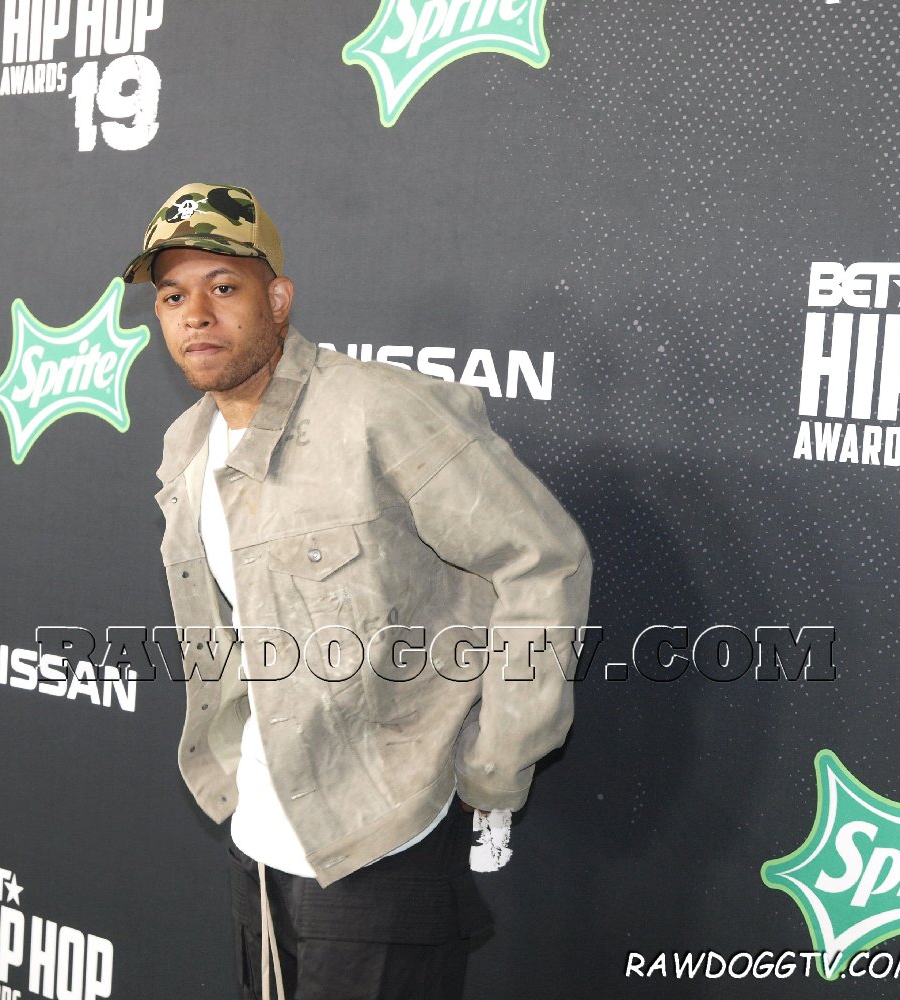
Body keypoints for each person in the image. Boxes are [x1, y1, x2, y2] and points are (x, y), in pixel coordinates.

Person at [123, 182, 592, 1000]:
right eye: (172, 296)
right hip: (258, 833)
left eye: (223, 287)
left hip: (382, 837)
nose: (195, 314)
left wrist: (494, 763)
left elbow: (540, 561)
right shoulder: (187, 444)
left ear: (278, 299)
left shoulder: (378, 411)